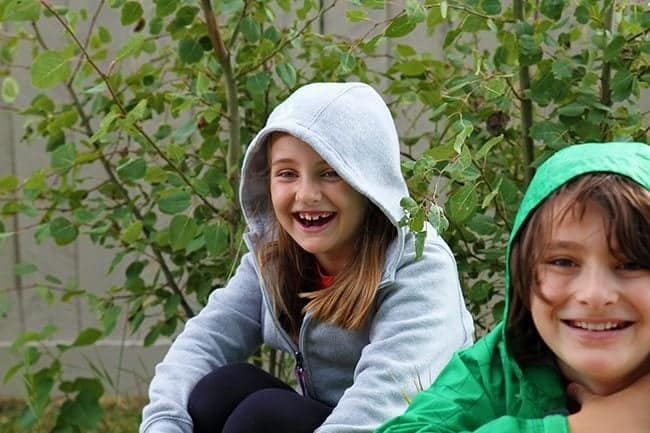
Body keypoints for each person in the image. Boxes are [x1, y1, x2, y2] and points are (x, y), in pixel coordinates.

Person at [139, 82, 475, 433]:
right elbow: (206, 339)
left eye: (330, 173)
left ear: (368, 182)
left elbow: (381, 403)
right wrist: (165, 423)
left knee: (265, 417)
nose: (306, 194)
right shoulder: (278, 254)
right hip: (335, 420)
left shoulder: (419, 265)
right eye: (287, 173)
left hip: (407, 426)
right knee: (219, 391)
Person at [375, 141, 650, 433]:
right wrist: (579, 428)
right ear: (521, 274)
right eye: (563, 262)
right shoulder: (496, 369)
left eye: (632, 264)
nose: (594, 295)